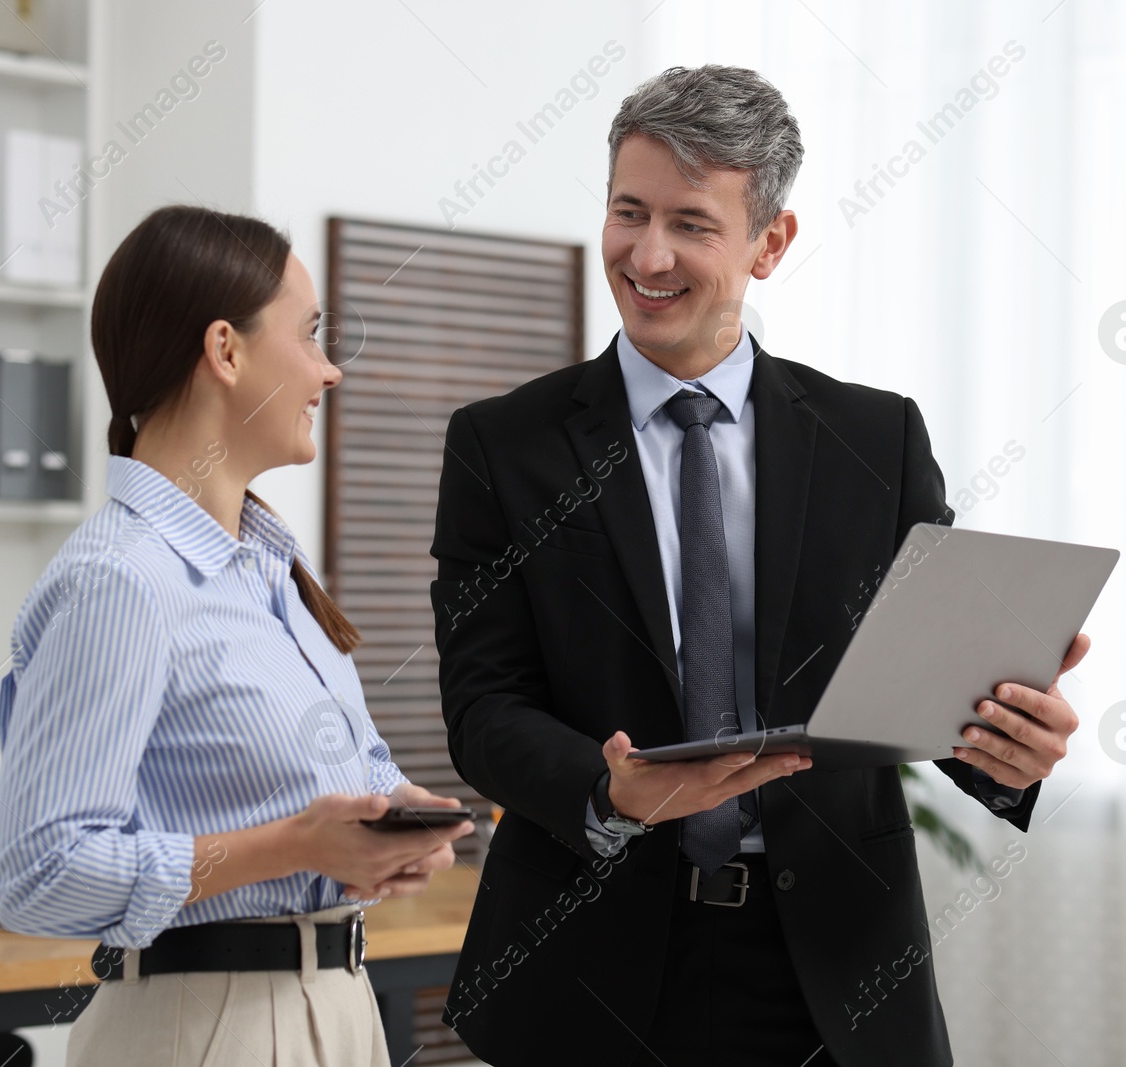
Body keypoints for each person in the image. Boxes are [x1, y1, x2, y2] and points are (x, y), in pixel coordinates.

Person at [429, 66, 1089, 1067]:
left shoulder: (876, 438)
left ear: (768, 243)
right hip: (584, 969)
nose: (646, 255)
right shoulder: (500, 445)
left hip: (831, 971)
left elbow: (923, 683)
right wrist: (611, 789)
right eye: (627, 211)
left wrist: (1005, 742)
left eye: (691, 223)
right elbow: (483, 707)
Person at [0, 205, 473, 1067]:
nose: (329, 370)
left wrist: (389, 826)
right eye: (313, 334)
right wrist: (295, 846)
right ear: (226, 350)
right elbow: (40, 873)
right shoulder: (121, 580)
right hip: (209, 1028)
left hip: (336, 1005)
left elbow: (332, 784)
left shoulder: (266, 568)